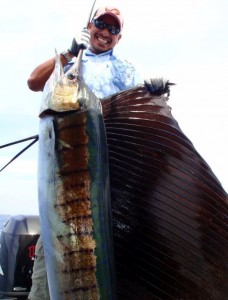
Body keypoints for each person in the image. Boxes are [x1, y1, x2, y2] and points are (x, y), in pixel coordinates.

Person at [27, 5, 141, 300]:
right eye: (101, 25)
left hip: (105, 179)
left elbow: (139, 119)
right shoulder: (69, 61)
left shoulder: (125, 70)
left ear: (119, 37)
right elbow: (34, 82)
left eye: (113, 29)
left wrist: (154, 95)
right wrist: (68, 53)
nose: (105, 33)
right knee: (47, 267)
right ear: (90, 25)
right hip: (66, 169)